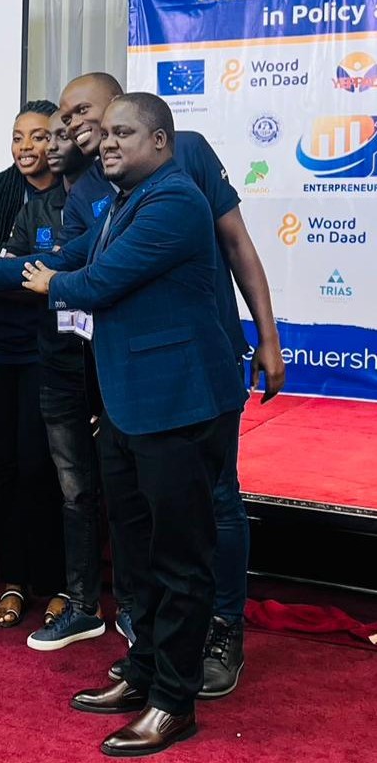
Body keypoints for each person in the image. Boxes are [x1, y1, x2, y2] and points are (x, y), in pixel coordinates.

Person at [0, 93, 248, 756]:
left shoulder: (174, 200)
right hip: (128, 405)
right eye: (103, 133)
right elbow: (63, 255)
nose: (106, 142)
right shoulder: (120, 204)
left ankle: (174, 701)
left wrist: (47, 282)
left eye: (122, 132)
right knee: (135, 554)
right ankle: (142, 672)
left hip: (179, 404)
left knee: (180, 559)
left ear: (160, 142)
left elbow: (95, 281)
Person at [58, 72, 285, 696]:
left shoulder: (188, 155)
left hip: (200, 365)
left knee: (216, 502)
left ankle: (222, 631)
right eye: (70, 118)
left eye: (89, 112)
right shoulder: (90, 189)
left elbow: (236, 243)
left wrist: (268, 336)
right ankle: (155, 651)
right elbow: (74, 265)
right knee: (147, 521)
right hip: (133, 381)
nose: (81, 127)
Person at [2, 110, 106, 650]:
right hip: (54, 361)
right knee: (63, 484)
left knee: (116, 483)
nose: (56, 143)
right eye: (53, 134)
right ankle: (72, 595)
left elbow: (93, 274)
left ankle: (116, 601)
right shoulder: (35, 207)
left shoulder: (114, 199)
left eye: (63, 133)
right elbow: (16, 273)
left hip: (108, 362)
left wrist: (55, 274)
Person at [0, 100, 67, 629]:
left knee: (39, 464)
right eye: (18, 136)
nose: (27, 147)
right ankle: (13, 580)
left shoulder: (76, 192)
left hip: (45, 345)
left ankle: (56, 583)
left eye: (39, 136)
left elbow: (51, 272)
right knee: (3, 464)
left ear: (59, 141)